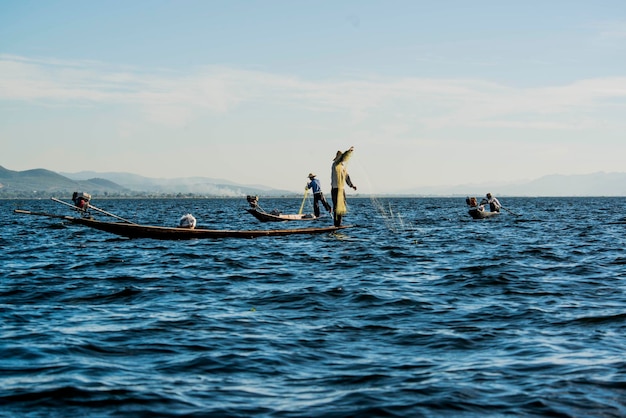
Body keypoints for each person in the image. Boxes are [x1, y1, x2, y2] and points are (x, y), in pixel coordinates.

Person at [330, 146, 357, 227]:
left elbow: (347, 177)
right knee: (336, 207)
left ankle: (339, 224)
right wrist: (348, 152)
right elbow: (342, 157)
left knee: (341, 206)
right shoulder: (335, 164)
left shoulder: (342, 167)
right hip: (335, 189)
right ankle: (336, 224)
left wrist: (352, 186)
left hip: (341, 189)